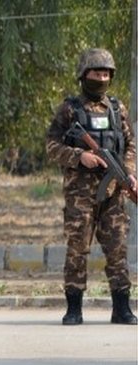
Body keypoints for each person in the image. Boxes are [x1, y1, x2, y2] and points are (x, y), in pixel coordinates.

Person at [45, 47, 137, 326]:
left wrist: (130, 173)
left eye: (106, 73)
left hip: (113, 194)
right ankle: (74, 308)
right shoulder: (69, 109)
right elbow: (51, 146)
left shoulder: (116, 108)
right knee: (77, 250)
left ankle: (121, 308)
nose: (101, 77)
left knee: (117, 249)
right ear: (84, 75)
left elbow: (130, 144)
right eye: (96, 72)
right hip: (79, 195)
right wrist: (78, 156)